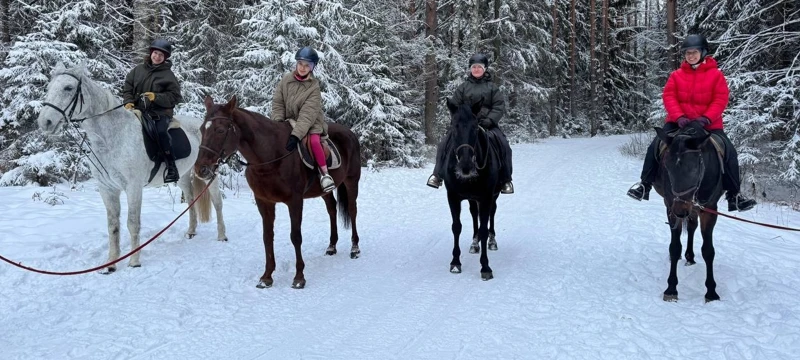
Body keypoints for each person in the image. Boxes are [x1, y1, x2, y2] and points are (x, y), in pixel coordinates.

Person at [626, 34, 757, 212]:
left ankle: (734, 196)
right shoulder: (676, 75)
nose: (690, 56)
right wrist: (679, 117)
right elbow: (669, 97)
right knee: (655, 146)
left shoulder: (716, 75)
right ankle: (644, 185)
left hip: (708, 125)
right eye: (687, 53)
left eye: (694, 52)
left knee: (729, 151)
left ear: (703, 52)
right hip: (679, 123)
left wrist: (706, 118)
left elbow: (720, 99)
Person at [426, 53, 514, 194]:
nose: (477, 69)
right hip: (465, 125)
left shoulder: (492, 88)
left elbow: (498, 106)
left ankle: (505, 180)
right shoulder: (463, 87)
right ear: (470, 69)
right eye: (474, 67)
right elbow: (454, 106)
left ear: (485, 69)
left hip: (487, 124)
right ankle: (437, 175)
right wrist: (457, 121)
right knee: (444, 143)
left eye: (479, 67)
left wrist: (489, 120)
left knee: (504, 144)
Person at [271, 46, 334, 193]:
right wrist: (278, 122)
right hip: (288, 120)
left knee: (313, 141)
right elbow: (278, 102)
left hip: (311, 122)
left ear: (312, 67)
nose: (303, 68)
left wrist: (296, 135)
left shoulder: (314, 87)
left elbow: (307, 114)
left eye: (307, 65)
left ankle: (325, 174)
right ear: (296, 63)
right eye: (300, 64)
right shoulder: (286, 80)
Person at [122, 38, 183, 183]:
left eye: (161, 55)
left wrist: (156, 97)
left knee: (161, 131)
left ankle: (171, 167)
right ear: (151, 53)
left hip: (160, 113)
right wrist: (128, 102)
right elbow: (128, 86)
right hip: (137, 110)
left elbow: (175, 97)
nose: (157, 57)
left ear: (165, 58)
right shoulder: (138, 70)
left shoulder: (168, 75)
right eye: (155, 53)